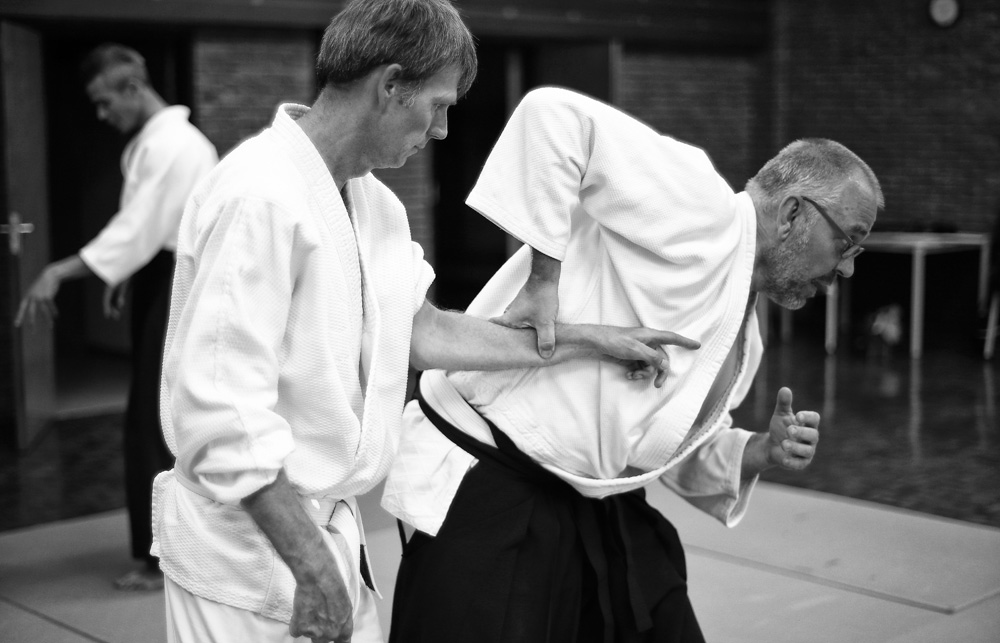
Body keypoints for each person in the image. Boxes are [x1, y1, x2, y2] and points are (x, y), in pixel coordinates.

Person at [151, 3, 698, 642]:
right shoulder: (259, 195)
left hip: (324, 531)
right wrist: (310, 565)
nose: (441, 130)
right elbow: (221, 412)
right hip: (245, 550)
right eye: (437, 105)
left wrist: (584, 339)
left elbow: (423, 332)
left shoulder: (376, 206)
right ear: (389, 86)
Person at [382, 86, 883, 642]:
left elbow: (652, 445)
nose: (847, 271)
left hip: (592, 503)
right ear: (793, 213)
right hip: (495, 484)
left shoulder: (747, 337)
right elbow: (554, 118)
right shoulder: (701, 207)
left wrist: (756, 452)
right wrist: (542, 281)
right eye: (848, 244)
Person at [15, 43, 217, 592]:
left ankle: (158, 558)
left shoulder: (176, 144)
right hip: (160, 275)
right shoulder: (157, 141)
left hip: (177, 284)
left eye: (106, 103)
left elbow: (138, 230)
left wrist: (58, 271)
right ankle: (165, 547)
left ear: (133, 88)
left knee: (152, 421)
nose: (103, 116)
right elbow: (144, 225)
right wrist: (123, 275)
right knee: (148, 416)